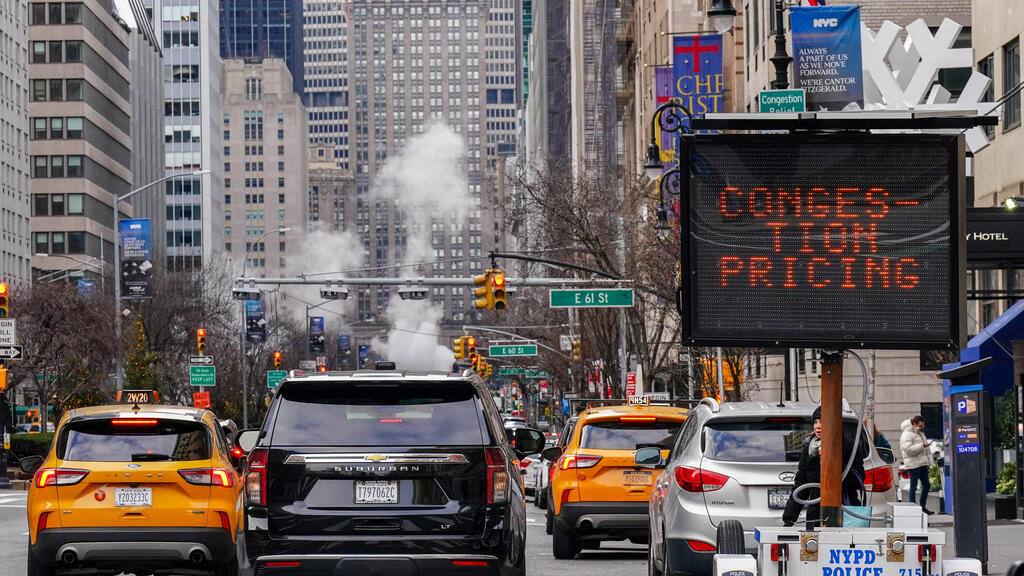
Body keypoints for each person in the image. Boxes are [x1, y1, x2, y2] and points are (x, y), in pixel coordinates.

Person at [783, 406, 866, 527]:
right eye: (815, 422)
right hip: (816, 515)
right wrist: (789, 519)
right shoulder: (809, 449)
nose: (818, 426)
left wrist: (832, 463)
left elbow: (858, 479)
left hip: (845, 512)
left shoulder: (848, 446)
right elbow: (801, 486)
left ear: (833, 424)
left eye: (822, 422)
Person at [900, 415, 934, 514]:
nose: (922, 427)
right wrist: (922, 445)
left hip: (922, 463)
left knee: (926, 486)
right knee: (913, 487)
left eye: (923, 425)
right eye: (920, 425)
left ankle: (922, 507)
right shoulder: (906, 434)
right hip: (913, 464)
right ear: (914, 424)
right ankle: (913, 508)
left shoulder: (919, 432)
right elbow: (907, 450)